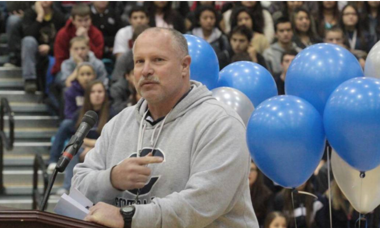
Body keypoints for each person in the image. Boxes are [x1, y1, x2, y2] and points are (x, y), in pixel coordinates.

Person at [72, 27, 259, 228]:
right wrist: (112, 178)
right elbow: (78, 188)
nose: (146, 70)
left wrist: (128, 217)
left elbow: (200, 204)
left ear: (184, 66)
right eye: (139, 62)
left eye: (158, 60)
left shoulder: (220, 122)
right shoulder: (119, 123)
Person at [59, 80, 115, 194]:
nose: (97, 95)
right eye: (93, 92)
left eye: (100, 91)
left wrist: (92, 148)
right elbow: (77, 138)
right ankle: (68, 187)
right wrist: (90, 146)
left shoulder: (113, 113)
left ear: (105, 94)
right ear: (88, 95)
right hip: (84, 149)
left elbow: (111, 141)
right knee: (72, 149)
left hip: (106, 150)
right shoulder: (81, 113)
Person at [48, 63, 96, 167]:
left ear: (94, 76)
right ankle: (53, 159)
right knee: (65, 124)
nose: (86, 77)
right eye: (82, 74)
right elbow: (68, 114)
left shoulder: (97, 90)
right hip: (77, 124)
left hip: (95, 123)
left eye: (88, 74)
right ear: (77, 76)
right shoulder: (70, 91)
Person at [21, 1, 66, 93]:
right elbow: (28, 34)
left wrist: (50, 47)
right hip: (34, 51)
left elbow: (63, 40)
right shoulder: (29, 14)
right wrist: (40, 16)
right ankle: (30, 80)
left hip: (52, 52)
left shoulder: (59, 17)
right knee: (28, 41)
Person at [52, 3, 104, 76]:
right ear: (73, 21)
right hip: (67, 70)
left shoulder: (96, 34)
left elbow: (98, 57)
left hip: (91, 70)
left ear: (91, 20)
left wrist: (87, 41)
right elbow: (60, 60)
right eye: (80, 20)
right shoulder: (63, 34)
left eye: (86, 20)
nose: (83, 24)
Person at [249, 161, 273, 226]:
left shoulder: (266, 194)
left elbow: (268, 219)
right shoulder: (237, 192)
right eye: (247, 169)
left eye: (252, 169)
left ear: (257, 173)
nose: (249, 173)